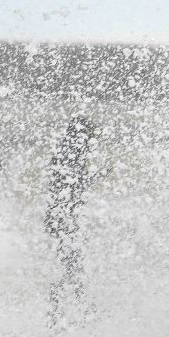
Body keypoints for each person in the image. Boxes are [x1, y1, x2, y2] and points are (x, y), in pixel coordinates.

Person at [45, 115, 99, 324]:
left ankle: (59, 307)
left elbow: (62, 184)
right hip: (66, 218)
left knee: (66, 260)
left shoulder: (63, 152)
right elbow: (75, 184)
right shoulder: (73, 153)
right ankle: (71, 306)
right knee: (72, 260)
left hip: (60, 216)